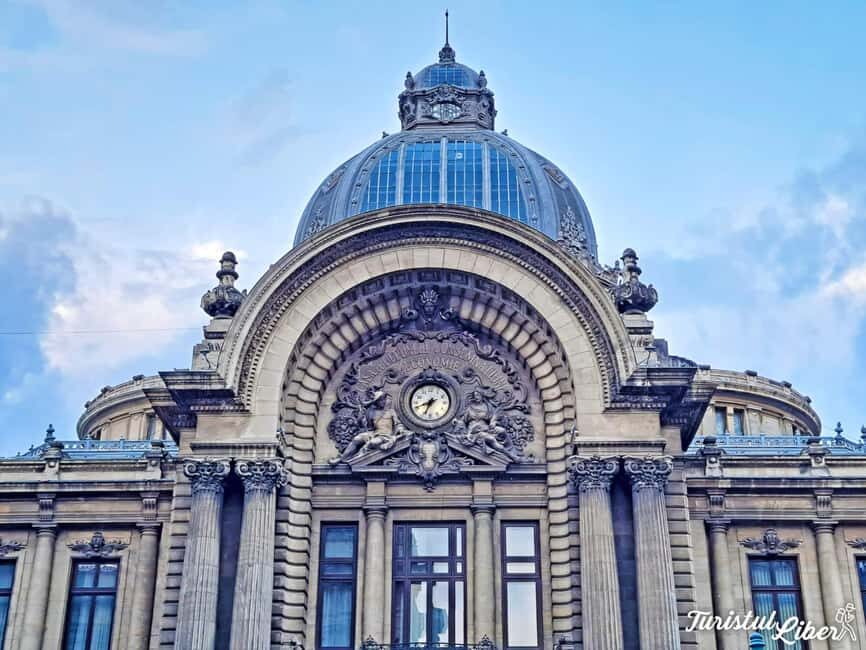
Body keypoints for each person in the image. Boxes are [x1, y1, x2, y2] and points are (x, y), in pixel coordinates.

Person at [330, 392, 405, 464]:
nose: (383, 401)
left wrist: (401, 429)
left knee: (372, 443)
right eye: (381, 400)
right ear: (377, 402)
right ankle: (342, 458)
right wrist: (361, 416)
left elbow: (398, 423)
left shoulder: (391, 412)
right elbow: (368, 427)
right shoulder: (372, 413)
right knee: (357, 439)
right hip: (374, 433)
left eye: (384, 399)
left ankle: (357, 458)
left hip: (385, 436)